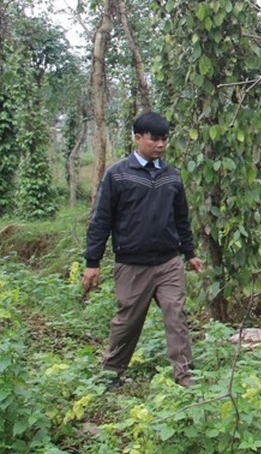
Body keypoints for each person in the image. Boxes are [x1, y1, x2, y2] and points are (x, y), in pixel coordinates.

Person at [82, 111, 204, 389]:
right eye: (154, 139)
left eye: (164, 139)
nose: (160, 145)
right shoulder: (118, 175)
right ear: (137, 138)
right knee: (128, 321)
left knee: (176, 316)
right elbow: (101, 220)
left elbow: (181, 219)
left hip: (168, 262)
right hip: (132, 264)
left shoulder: (171, 176)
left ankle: (185, 376)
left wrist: (190, 253)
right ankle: (110, 375)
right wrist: (92, 261)